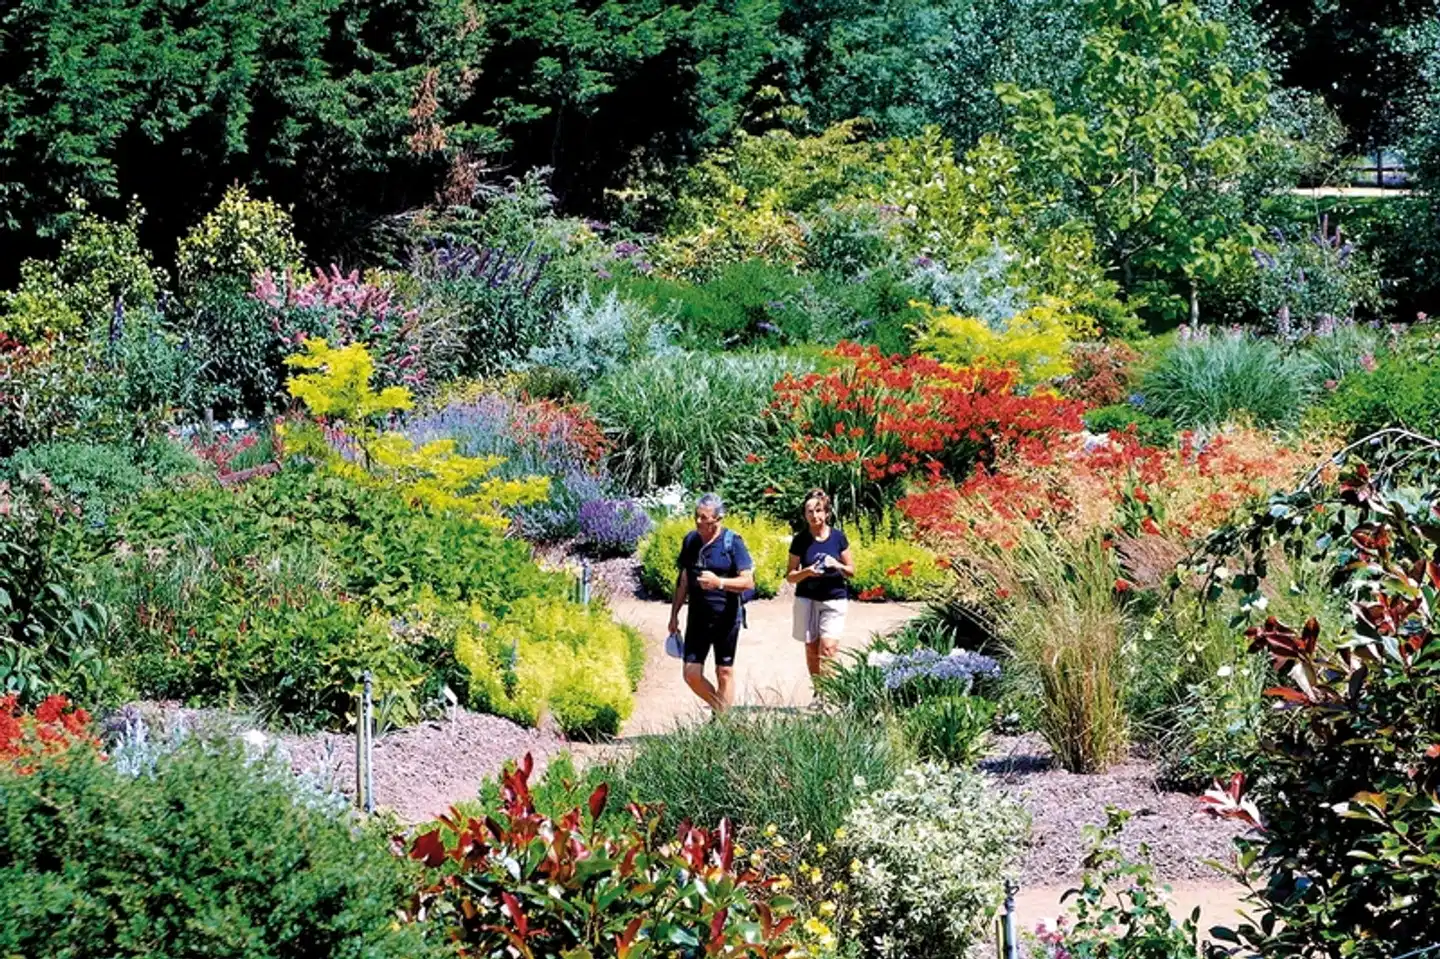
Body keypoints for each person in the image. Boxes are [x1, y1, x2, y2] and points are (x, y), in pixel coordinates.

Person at [668, 493, 755, 714]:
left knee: (724, 672)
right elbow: (683, 580)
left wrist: (720, 582)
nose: (698, 521)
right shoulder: (691, 540)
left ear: (717, 519)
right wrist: (674, 615)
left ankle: (722, 727)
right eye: (696, 516)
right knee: (691, 674)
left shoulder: (732, 542)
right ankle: (722, 712)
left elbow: (748, 581)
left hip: (726, 617)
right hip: (698, 618)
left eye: (704, 518)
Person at [786, 488, 854, 696]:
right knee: (811, 649)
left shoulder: (838, 538)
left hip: (834, 599)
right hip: (807, 599)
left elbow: (851, 571)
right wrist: (806, 572)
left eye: (818, 510)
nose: (814, 515)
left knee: (828, 649)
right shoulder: (800, 540)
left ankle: (829, 694)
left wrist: (837, 565)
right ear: (804, 515)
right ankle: (819, 693)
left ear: (826, 513)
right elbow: (790, 576)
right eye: (809, 511)